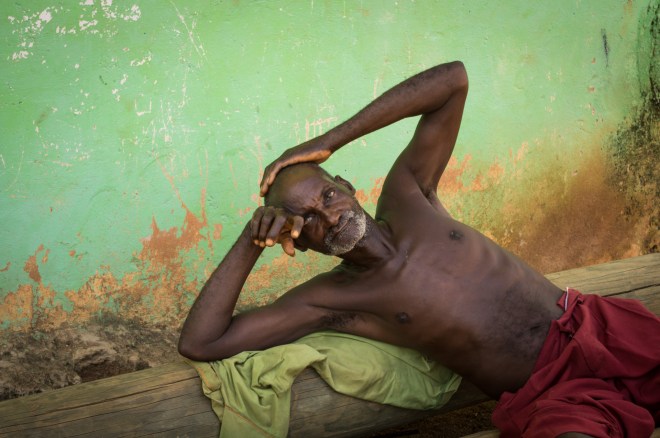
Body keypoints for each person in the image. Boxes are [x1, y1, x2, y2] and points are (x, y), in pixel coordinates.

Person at [178, 61, 660, 437]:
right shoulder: (333, 300)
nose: (331, 217)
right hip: (554, 395)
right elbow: (202, 342)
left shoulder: (411, 197)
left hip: (600, 329)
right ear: (297, 243)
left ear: (345, 184)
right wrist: (251, 238)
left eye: (328, 196)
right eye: (308, 223)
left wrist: (329, 141)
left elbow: (453, 80)